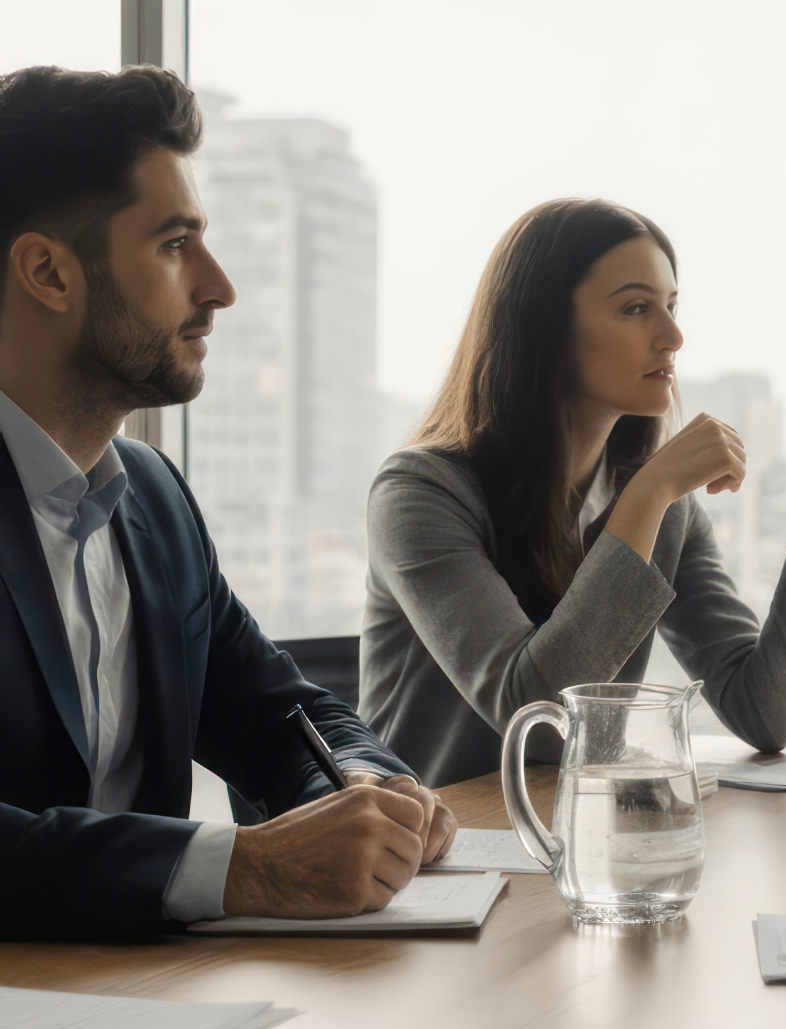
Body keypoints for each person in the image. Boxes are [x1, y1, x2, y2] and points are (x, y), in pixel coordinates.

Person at [0, 65, 456, 942]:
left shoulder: (155, 500)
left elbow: (281, 712)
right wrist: (239, 866)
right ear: (49, 274)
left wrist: (361, 787)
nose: (219, 287)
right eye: (175, 245)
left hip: (154, 1009)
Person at [360, 198, 786, 787]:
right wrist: (651, 492)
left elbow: (765, 715)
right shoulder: (418, 496)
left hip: (579, 850)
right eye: (635, 309)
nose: (673, 337)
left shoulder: (658, 505)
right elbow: (541, 723)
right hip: (436, 867)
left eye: (673, 306)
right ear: (543, 328)